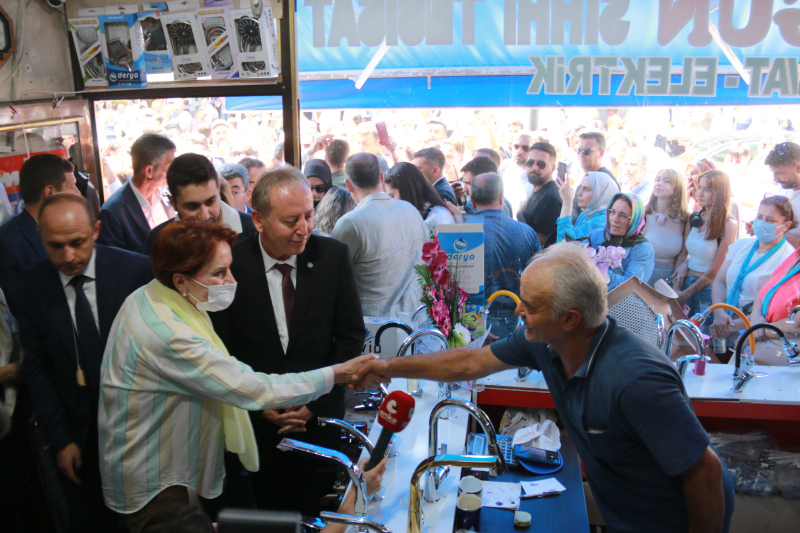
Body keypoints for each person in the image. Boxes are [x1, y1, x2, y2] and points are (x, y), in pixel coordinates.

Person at [357, 242, 734, 533]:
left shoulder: (635, 379)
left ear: (570, 319)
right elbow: (470, 361)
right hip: (624, 512)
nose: (519, 311)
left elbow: (705, 472)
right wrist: (387, 365)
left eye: (531, 305)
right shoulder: (546, 342)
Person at [101, 218, 380, 532]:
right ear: (180, 281)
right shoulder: (168, 333)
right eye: (219, 273)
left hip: (173, 462)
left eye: (229, 268)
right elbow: (252, 387)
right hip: (156, 477)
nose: (231, 280)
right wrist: (338, 374)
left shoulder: (156, 295)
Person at [210, 166, 368, 517]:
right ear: (259, 220)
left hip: (318, 424)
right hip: (256, 430)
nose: (304, 229)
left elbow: (350, 337)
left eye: (309, 215)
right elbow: (222, 348)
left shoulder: (333, 257)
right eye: (291, 220)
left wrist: (315, 403)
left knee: (320, 515)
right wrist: (258, 404)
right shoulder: (230, 266)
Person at [7, 194, 153, 533]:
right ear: (41, 238)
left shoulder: (136, 271)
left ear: (97, 230)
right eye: (55, 246)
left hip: (141, 432)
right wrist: (61, 439)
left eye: (77, 242)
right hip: (79, 436)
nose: (68, 256)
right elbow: (38, 370)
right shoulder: (27, 289)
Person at [332, 153, 428, 317]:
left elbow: (332, 280)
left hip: (372, 333)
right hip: (414, 322)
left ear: (348, 185)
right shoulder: (410, 210)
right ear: (382, 179)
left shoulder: (351, 223)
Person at [711, 196, 794, 340]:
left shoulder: (788, 259)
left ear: (786, 225)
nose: (762, 223)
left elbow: (772, 306)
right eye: (760, 217)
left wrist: (732, 326)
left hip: (752, 329)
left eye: (770, 220)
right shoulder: (741, 245)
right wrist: (719, 313)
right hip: (722, 322)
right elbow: (720, 282)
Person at [467, 173, 540, 337]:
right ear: (501, 198)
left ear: (472, 201)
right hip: (515, 318)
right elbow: (539, 279)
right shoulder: (526, 232)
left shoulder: (461, 232)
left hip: (471, 320)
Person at [142, 154, 257, 255]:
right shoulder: (158, 241)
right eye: (192, 206)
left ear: (218, 187)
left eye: (210, 202)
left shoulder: (254, 230)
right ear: (173, 203)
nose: (204, 215)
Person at [0, 154, 79, 294]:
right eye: (72, 187)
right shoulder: (8, 242)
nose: (78, 193)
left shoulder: (73, 229)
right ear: (50, 192)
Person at [674, 170, 738, 326]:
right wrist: (677, 286)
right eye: (699, 187)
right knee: (680, 333)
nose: (700, 193)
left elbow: (716, 269)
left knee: (702, 337)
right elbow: (683, 253)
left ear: (719, 193)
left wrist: (686, 293)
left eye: (707, 189)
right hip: (686, 282)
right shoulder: (694, 218)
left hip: (708, 288)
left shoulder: (728, 225)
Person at [98, 133, 176, 253]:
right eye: (170, 166)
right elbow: (115, 263)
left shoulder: (167, 196)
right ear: (149, 171)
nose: (174, 171)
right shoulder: (113, 212)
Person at [587, 193, 655, 290]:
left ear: (635, 220)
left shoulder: (643, 249)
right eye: (612, 212)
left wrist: (592, 270)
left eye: (623, 215)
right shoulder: (596, 236)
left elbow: (630, 286)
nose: (614, 219)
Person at [644, 169, 690, 285]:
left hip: (668, 277)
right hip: (643, 273)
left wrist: (675, 284)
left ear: (678, 188)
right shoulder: (644, 213)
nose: (659, 184)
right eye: (658, 180)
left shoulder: (684, 219)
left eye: (667, 181)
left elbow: (683, 255)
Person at [385, 162, 456, 232]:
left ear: (407, 190)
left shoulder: (438, 218)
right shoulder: (423, 215)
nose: (391, 201)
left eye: (392, 196)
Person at [517, 141, 563, 247]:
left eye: (541, 164)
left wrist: (519, 215)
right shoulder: (538, 191)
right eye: (530, 162)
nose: (534, 168)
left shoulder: (550, 199)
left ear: (552, 168)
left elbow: (537, 243)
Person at [557, 172, 619, 242]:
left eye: (586, 189)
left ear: (601, 193)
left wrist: (567, 203)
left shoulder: (601, 221)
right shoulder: (586, 213)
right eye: (581, 187)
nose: (579, 193)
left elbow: (565, 245)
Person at [765, 141, 800, 248]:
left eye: (780, 173)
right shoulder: (784, 188)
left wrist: (775, 235)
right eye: (773, 173)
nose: (775, 179)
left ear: (798, 168)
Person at [497, 131, 534, 216]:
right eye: (516, 146)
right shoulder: (505, 168)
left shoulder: (537, 175)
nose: (519, 151)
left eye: (525, 148)